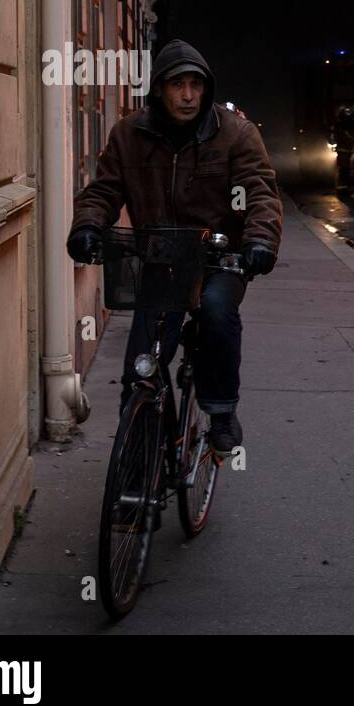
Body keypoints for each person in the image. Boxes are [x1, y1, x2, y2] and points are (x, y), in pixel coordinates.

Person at [65, 39, 282, 456]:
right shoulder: (130, 135)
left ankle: (220, 411)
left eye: (195, 85)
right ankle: (135, 466)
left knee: (217, 313)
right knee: (141, 369)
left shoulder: (234, 133)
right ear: (159, 89)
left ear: (206, 89)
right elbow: (104, 191)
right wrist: (88, 227)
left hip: (220, 260)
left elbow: (259, 192)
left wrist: (259, 241)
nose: (188, 95)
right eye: (177, 85)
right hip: (160, 261)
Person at [330, 106, 354, 196]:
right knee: (344, 170)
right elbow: (353, 135)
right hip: (345, 150)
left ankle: (343, 189)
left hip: (343, 150)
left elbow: (332, 138)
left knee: (343, 170)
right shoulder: (347, 124)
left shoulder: (338, 124)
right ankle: (343, 190)